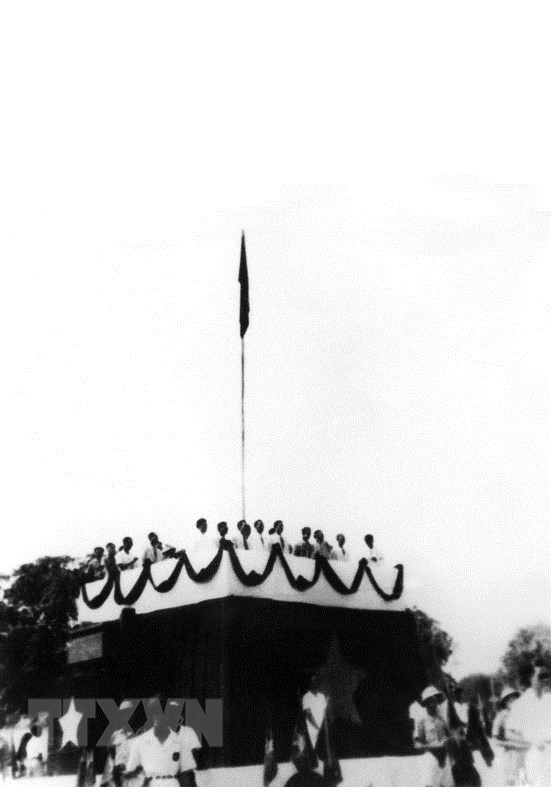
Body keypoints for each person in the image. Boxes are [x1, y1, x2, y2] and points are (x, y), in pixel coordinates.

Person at [124, 698, 198, 787]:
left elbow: (187, 771)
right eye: (155, 712)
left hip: (172, 783)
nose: (158, 716)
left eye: (162, 713)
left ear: (168, 714)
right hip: (151, 783)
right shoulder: (140, 741)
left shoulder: (179, 741)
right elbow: (130, 770)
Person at [506, 660, 551, 785]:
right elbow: (509, 733)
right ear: (531, 678)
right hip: (536, 755)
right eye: (540, 676)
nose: (545, 679)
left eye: (547, 676)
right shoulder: (521, 704)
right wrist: (531, 741)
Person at [414, 686, 453, 787]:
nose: (436, 703)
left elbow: (449, 736)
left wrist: (448, 741)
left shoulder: (441, 718)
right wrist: (433, 748)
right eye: (433, 700)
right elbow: (419, 744)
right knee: (432, 783)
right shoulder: (422, 720)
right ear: (427, 703)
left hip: (445, 756)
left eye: (437, 700)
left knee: (447, 784)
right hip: (432, 758)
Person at [492, 686, 525, 786]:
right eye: (510, 701)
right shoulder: (501, 717)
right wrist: (509, 743)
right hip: (511, 754)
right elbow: (495, 740)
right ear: (505, 703)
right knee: (512, 781)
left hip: (524, 753)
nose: (513, 703)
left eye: (515, 700)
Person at [302, 675, 328, 775]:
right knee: (314, 751)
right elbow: (308, 715)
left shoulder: (321, 696)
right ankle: (316, 773)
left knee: (323, 750)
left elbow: (324, 710)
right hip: (313, 729)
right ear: (310, 683)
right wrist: (317, 727)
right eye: (313, 681)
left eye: (317, 681)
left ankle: (322, 772)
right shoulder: (306, 697)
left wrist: (323, 727)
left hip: (322, 728)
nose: (315, 683)